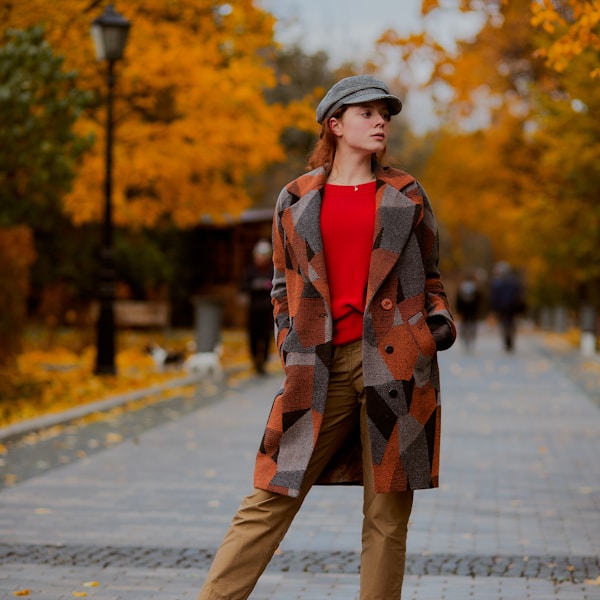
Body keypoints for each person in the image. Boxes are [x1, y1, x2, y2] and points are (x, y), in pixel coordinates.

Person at [197, 74, 456, 600]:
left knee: (386, 515)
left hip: (397, 365)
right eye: (366, 112)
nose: (380, 120)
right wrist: (292, 342)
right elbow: (279, 284)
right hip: (319, 366)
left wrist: (432, 328)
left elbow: (430, 274)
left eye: (384, 113)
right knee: (271, 493)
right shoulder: (295, 198)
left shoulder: (405, 193)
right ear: (335, 125)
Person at [240, 239, 274, 374]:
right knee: (253, 336)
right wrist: (256, 286)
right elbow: (243, 288)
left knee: (266, 336)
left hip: (267, 310)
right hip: (254, 310)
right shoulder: (250, 271)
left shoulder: (272, 271)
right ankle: (255, 359)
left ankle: (264, 361)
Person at [489, 261, 525, 352]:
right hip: (512, 306)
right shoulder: (514, 281)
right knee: (511, 323)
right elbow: (519, 294)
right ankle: (510, 339)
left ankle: (507, 339)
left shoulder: (497, 282)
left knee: (504, 323)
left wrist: (493, 308)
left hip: (502, 307)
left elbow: (494, 296)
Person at [455, 272, 483, 353]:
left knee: (464, 326)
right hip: (473, 311)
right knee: (472, 326)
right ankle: (472, 340)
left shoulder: (461, 288)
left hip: (464, 311)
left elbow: (458, 300)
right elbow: (480, 300)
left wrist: (458, 310)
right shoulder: (475, 288)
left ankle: (464, 341)